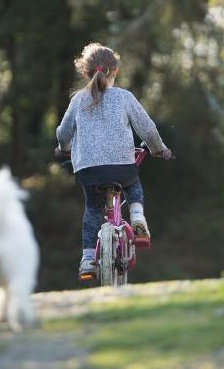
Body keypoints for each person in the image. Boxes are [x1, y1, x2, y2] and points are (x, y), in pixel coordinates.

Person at [55, 43, 172, 280]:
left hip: (88, 170)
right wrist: (159, 149)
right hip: (122, 167)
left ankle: (88, 259)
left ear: (85, 73)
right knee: (133, 184)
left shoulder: (78, 101)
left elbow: (64, 132)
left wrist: (63, 148)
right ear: (115, 71)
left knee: (93, 208)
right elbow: (147, 129)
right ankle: (137, 218)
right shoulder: (124, 97)